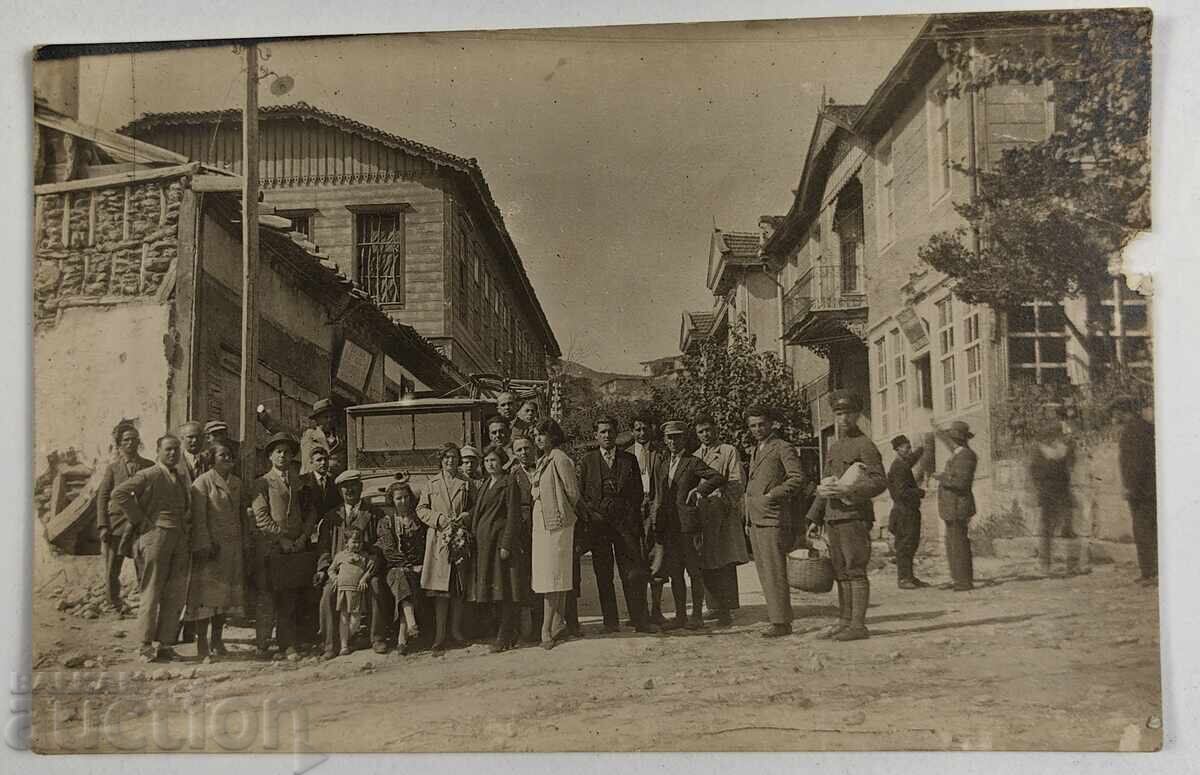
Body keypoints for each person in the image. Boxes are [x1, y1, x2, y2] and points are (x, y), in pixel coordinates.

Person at [806, 390, 887, 642]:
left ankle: (858, 625)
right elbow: (826, 484)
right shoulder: (835, 447)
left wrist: (851, 489)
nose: (843, 419)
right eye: (839, 414)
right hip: (833, 517)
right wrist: (814, 517)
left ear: (857, 415)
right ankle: (844, 620)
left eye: (848, 414)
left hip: (854, 516)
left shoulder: (866, 445)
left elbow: (879, 481)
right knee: (840, 570)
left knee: (855, 568)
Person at [109, 434, 192, 662]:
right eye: (168, 449)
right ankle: (144, 646)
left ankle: (165, 645)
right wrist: (141, 520)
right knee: (152, 590)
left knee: (174, 594)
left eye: (176, 449)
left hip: (178, 537)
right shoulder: (150, 473)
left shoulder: (179, 475)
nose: (173, 453)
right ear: (158, 451)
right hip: (156, 537)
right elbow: (119, 493)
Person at [578, 417, 654, 633]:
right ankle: (610, 622)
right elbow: (582, 495)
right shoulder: (588, 461)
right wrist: (595, 516)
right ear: (596, 436)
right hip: (599, 528)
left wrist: (627, 516)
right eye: (602, 432)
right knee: (603, 575)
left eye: (610, 431)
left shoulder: (629, 460)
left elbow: (638, 493)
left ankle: (639, 619)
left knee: (631, 574)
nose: (607, 435)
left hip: (625, 526)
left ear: (616, 433)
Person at [648, 420, 725, 631]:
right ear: (665, 440)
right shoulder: (662, 464)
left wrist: (699, 491)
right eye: (669, 437)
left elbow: (718, 477)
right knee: (675, 573)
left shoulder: (693, 462)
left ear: (684, 439)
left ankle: (697, 616)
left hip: (688, 525)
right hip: (669, 527)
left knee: (694, 571)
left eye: (678, 437)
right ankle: (680, 616)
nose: (673, 441)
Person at [250, 432, 317, 660]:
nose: (283, 456)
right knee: (267, 596)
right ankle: (262, 644)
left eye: (287, 452)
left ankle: (288, 644)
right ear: (270, 456)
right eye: (278, 451)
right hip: (272, 548)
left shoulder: (300, 482)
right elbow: (261, 517)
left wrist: (301, 538)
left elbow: (310, 513)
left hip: (295, 548)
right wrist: (282, 539)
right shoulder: (262, 482)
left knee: (290, 597)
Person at [744, 406, 807, 637]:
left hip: (772, 517)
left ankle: (782, 622)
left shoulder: (782, 447)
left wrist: (773, 495)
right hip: (757, 517)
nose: (757, 429)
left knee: (774, 571)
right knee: (764, 571)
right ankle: (776, 617)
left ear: (771, 424)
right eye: (753, 425)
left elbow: (797, 478)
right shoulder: (756, 449)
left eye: (761, 424)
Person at [315, 470, 392, 657]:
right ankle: (330, 644)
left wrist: (375, 558)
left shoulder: (375, 514)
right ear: (340, 491)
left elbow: (384, 540)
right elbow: (323, 547)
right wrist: (324, 569)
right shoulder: (332, 517)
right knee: (327, 593)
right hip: (340, 572)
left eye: (353, 485)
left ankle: (377, 638)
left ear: (361, 487)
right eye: (345, 487)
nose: (349, 490)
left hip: (366, 569)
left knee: (375, 586)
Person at [184, 441, 247, 661]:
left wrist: (244, 542)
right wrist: (205, 544)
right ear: (212, 459)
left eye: (230, 455)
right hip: (211, 549)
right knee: (206, 598)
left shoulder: (238, 483)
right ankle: (202, 642)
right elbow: (199, 519)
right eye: (223, 455)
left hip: (232, 549)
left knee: (224, 598)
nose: (228, 458)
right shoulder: (202, 483)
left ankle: (218, 640)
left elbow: (241, 516)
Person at [417, 443, 474, 655]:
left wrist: (466, 516)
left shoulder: (466, 483)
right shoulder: (431, 483)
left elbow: (475, 506)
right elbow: (421, 509)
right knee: (440, 591)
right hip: (439, 541)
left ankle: (456, 632)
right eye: (446, 457)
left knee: (458, 588)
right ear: (441, 460)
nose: (450, 461)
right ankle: (440, 635)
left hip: (459, 540)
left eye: (454, 457)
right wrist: (439, 519)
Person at [469, 446, 527, 652]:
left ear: (501, 462)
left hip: (498, 544)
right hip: (485, 546)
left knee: (505, 590)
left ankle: (505, 635)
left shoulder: (509, 482)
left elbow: (513, 515)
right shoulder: (486, 484)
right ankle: (504, 633)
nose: (490, 464)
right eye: (486, 461)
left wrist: (506, 544)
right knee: (493, 591)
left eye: (493, 460)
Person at [694, 414, 750, 627]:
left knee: (724, 561)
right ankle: (713, 606)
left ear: (715, 429)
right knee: (705, 560)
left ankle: (726, 609)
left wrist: (724, 502)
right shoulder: (695, 455)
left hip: (723, 513)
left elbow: (737, 481)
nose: (705, 435)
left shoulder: (728, 451)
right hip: (702, 514)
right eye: (701, 431)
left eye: (708, 430)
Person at [530, 419, 581, 649]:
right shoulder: (543, 459)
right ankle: (557, 623)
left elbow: (572, 492)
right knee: (552, 575)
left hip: (557, 525)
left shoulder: (560, 458)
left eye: (543, 434)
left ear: (553, 436)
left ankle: (546, 629)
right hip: (543, 525)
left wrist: (562, 511)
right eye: (536, 435)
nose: (539, 439)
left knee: (553, 577)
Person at [95, 420, 152, 613]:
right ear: (119, 444)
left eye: (134, 439)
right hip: (116, 524)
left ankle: (146, 603)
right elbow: (102, 496)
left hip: (140, 525)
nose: (131, 443)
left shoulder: (148, 465)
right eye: (126, 440)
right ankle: (114, 603)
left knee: (143, 565)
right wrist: (103, 525)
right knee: (113, 567)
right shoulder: (113, 468)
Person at [377, 477, 427, 654]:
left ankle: (402, 639)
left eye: (406, 497)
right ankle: (410, 623)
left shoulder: (419, 520)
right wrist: (409, 566)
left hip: (419, 566)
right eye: (399, 498)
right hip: (394, 568)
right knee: (400, 575)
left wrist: (418, 565)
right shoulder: (387, 522)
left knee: (405, 579)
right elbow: (389, 550)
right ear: (392, 500)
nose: (403, 501)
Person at [932, 420, 979, 592]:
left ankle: (964, 581)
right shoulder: (958, 453)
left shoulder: (966, 455)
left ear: (958, 440)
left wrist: (941, 477)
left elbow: (961, 482)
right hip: (952, 507)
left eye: (950, 438)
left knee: (959, 544)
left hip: (959, 506)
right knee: (952, 544)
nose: (948, 441)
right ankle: (957, 578)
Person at [1029, 422, 1082, 576]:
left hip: (1048, 494)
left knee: (1047, 531)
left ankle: (1046, 565)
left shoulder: (1040, 451)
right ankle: (1070, 564)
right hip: (1062, 493)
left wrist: (1038, 489)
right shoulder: (1063, 450)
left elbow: (1035, 474)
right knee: (1066, 530)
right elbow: (1070, 466)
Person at [1115, 397, 1157, 585]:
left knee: (1143, 530)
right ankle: (1153, 570)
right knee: (1153, 529)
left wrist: (1130, 487)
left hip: (1140, 490)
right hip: (1151, 487)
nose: (1115, 416)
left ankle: (1150, 572)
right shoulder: (1147, 427)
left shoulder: (1131, 431)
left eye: (1116, 412)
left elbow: (1134, 463)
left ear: (1123, 412)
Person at [629, 413, 666, 623]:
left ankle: (657, 610)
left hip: (656, 506)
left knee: (657, 557)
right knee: (637, 560)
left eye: (645, 429)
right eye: (638, 429)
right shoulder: (625, 454)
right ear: (632, 431)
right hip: (635, 510)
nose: (642, 433)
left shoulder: (660, 453)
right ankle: (639, 613)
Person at [509, 435, 542, 641]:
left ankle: (543, 626)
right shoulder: (513, 474)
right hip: (523, 531)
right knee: (524, 578)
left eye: (527, 448)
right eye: (519, 450)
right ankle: (525, 629)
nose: (524, 452)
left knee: (542, 577)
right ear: (514, 453)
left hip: (543, 528)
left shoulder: (542, 468)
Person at [887, 434, 929, 589]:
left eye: (910, 447)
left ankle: (909, 576)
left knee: (910, 544)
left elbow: (911, 460)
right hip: (904, 512)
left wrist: (921, 448)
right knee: (905, 545)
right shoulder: (899, 467)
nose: (909, 450)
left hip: (906, 511)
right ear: (898, 449)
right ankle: (904, 579)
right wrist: (920, 492)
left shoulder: (901, 463)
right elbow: (902, 492)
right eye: (906, 447)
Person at [328, 528, 374, 656]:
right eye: (353, 542)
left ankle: (345, 638)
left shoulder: (364, 556)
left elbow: (370, 569)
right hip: (343, 590)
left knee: (355, 621)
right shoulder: (340, 556)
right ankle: (344, 646)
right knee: (343, 618)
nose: (357, 545)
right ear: (346, 542)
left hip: (356, 591)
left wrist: (364, 579)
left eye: (359, 542)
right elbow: (331, 570)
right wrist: (335, 578)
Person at [301, 398, 344, 475]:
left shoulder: (339, 437)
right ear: (317, 419)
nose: (329, 420)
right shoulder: (310, 436)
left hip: (336, 479)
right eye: (326, 417)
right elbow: (306, 462)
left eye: (331, 417)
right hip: (317, 479)